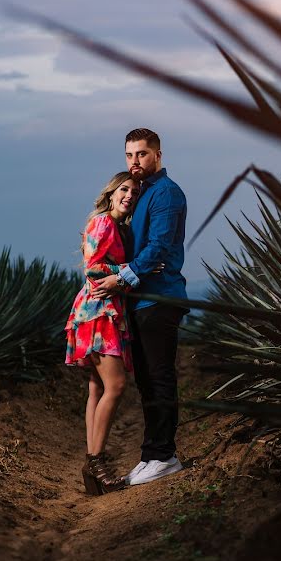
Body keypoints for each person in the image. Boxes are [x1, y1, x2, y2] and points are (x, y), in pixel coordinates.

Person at [92, 128, 189, 486]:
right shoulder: (140, 193)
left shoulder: (166, 193)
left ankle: (164, 455)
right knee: (148, 379)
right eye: (130, 155)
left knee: (160, 377)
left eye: (142, 154)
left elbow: (160, 246)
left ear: (158, 156)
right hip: (142, 299)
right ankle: (152, 454)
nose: (135, 161)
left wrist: (124, 276)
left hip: (160, 297)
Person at [65, 171, 140, 495]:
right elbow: (92, 266)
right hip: (98, 310)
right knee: (116, 385)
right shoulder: (103, 223)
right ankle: (96, 461)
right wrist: (128, 270)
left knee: (97, 387)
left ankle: (93, 467)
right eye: (124, 189)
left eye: (134, 193)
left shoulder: (118, 228)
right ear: (111, 193)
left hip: (105, 309)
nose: (129, 196)